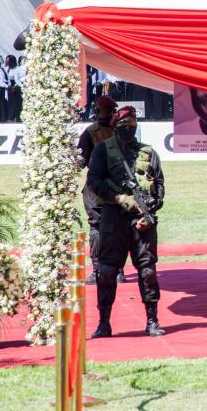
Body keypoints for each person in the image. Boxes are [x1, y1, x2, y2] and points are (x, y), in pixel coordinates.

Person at [86, 106, 166, 337]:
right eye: (124, 125)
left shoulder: (148, 153)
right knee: (107, 271)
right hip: (113, 218)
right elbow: (93, 181)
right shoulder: (103, 150)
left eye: (132, 125)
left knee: (147, 271)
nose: (128, 129)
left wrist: (149, 211)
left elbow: (159, 186)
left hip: (142, 221)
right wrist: (119, 198)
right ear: (115, 127)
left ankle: (152, 320)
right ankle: (104, 323)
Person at [77, 95, 121, 285]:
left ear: (96, 111)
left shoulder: (90, 132)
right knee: (116, 228)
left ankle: (97, 270)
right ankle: (118, 270)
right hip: (117, 186)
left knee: (96, 228)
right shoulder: (120, 132)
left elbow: (79, 162)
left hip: (94, 188)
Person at [5, 55, 23, 122]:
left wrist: (14, 86)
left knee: (14, 103)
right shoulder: (6, 68)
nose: (7, 62)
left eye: (8, 61)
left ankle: (14, 116)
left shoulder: (17, 69)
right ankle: (8, 116)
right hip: (7, 86)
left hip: (14, 86)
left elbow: (18, 79)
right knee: (8, 102)